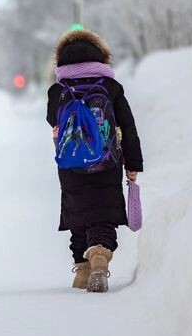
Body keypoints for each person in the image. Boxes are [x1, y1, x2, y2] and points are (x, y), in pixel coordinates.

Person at [46, 29, 143, 293]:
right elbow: (128, 126)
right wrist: (133, 164)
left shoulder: (59, 89)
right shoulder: (110, 87)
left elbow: (52, 119)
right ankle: (100, 251)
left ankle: (82, 269)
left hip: (71, 162)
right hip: (108, 161)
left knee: (77, 211)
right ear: (101, 57)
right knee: (104, 209)